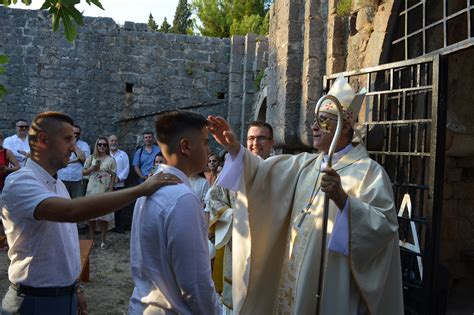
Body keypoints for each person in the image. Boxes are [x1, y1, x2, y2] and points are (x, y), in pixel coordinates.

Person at [207, 75, 403, 314]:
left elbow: (383, 229)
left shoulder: (369, 173)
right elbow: (260, 174)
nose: (313, 127)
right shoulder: (306, 164)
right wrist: (235, 148)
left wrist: (343, 199)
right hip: (293, 272)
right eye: (315, 120)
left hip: (331, 279)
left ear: (345, 127)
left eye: (323, 121)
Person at [1, 111, 178, 315]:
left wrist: (74, 288)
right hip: (34, 301)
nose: (73, 147)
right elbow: (71, 211)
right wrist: (140, 190)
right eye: (68, 139)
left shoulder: (56, 182)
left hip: (59, 295)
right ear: (43, 140)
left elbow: (64, 242)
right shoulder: (20, 182)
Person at [128, 110, 220, 315]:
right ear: (186, 146)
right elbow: (195, 283)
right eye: (205, 142)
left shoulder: (150, 187)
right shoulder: (182, 198)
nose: (209, 149)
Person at [205, 121, 275, 313]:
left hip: (268, 245)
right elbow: (215, 198)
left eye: (261, 138)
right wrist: (236, 216)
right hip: (236, 244)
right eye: (251, 138)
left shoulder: (280, 169)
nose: (255, 143)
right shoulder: (232, 167)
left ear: (272, 142)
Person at [83, 137, 117, 249]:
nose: (102, 146)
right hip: (92, 189)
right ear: (96, 145)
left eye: (104, 145)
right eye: (100, 144)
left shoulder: (111, 159)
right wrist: (92, 168)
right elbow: (83, 172)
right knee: (91, 216)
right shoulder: (90, 158)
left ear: (107, 146)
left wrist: (111, 189)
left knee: (104, 216)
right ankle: (92, 239)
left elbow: (113, 175)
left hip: (105, 189)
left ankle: (103, 240)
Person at [57, 125, 90, 198]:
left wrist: (74, 145)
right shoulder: (61, 144)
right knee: (63, 201)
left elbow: (83, 158)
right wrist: (76, 160)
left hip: (78, 178)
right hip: (63, 177)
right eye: (73, 133)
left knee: (78, 202)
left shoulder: (84, 145)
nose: (75, 135)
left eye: (77, 133)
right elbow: (59, 158)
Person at [0, 132, 20, 251]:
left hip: (3, 186)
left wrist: (7, 169)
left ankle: (5, 241)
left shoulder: (6, 152)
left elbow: (17, 167)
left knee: (4, 216)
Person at [109, 134, 130, 234]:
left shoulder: (123, 154)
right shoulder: (105, 154)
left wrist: (119, 178)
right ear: (109, 142)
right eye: (112, 140)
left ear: (118, 142)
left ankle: (118, 226)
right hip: (107, 185)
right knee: (106, 206)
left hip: (119, 184)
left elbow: (126, 168)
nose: (113, 142)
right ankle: (107, 227)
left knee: (118, 207)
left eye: (115, 141)